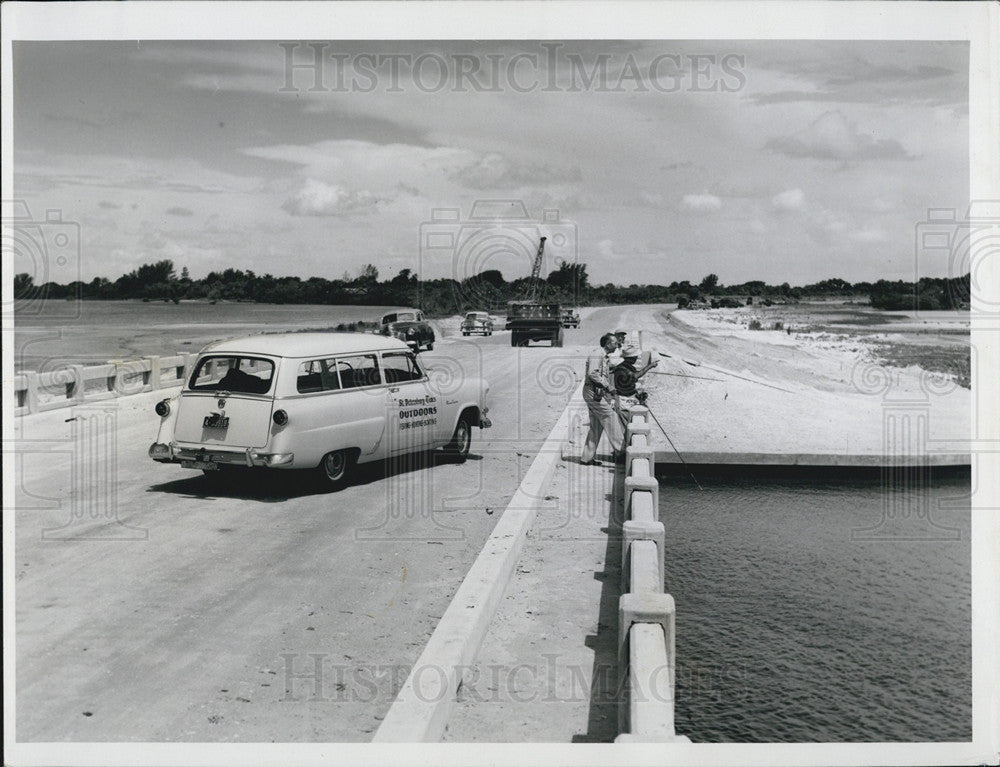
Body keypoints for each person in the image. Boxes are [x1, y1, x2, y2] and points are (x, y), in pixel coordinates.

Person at [581, 333, 625, 465]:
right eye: (615, 343)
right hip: (592, 392)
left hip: (595, 392)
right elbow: (592, 373)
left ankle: (586, 458)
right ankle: (622, 452)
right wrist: (608, 386)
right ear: (607, 344)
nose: (617, 345)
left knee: (596, 425)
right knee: (610, 416)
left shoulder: (603, 356)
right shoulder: (597, 354)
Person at [612, 345, 658, 431]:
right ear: (631, 358)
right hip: (623, 401)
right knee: (626, 428)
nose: (637, 358)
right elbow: (635, 376)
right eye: (635, 356)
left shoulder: (627, 366)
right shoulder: (622, 369)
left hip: (628, 399)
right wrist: (650, 366)